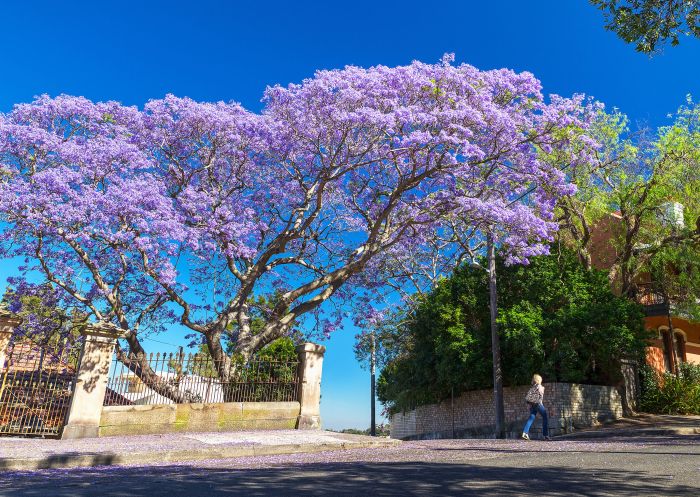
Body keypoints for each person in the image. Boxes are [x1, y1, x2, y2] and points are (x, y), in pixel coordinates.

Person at [522, 373, 550, 441]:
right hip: (538, 404)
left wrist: (529, 404)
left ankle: (525, 433)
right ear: (539, 380)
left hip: (532, 405)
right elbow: (540, 398)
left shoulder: (532, 387)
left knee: (531, 418)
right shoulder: (540, 387)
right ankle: (545, 435)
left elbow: (529, 397)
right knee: (545, 417)